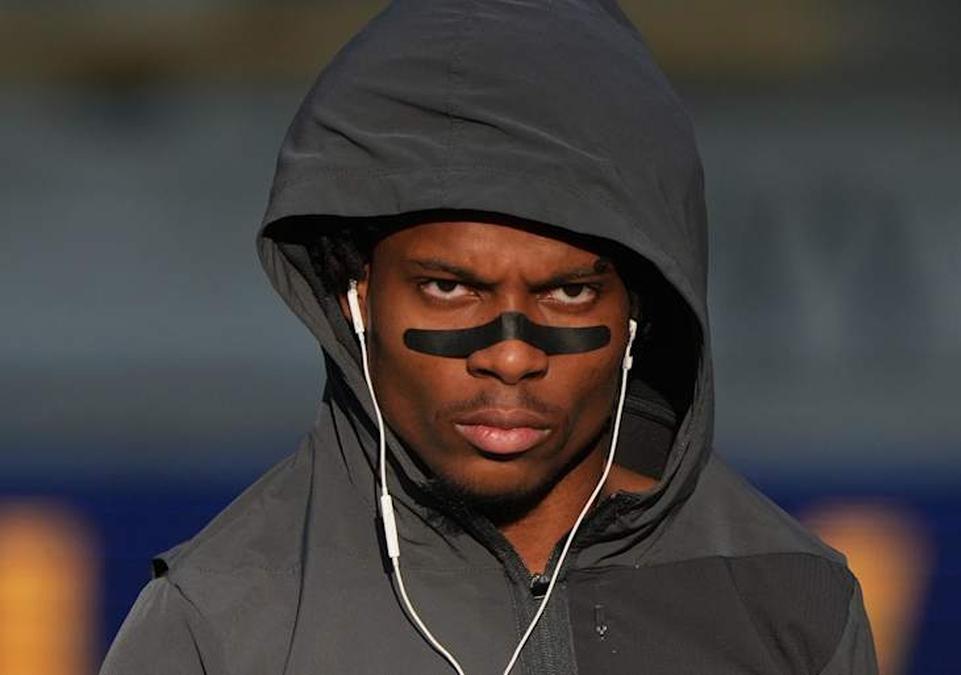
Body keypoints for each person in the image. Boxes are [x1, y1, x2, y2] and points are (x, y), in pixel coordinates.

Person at [101, 0, 878, 673]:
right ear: (356, 292)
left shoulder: (790, 605)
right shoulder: (218, 626)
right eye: (449, 287)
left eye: (569, 291)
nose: (510, 355)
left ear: (640, 308)